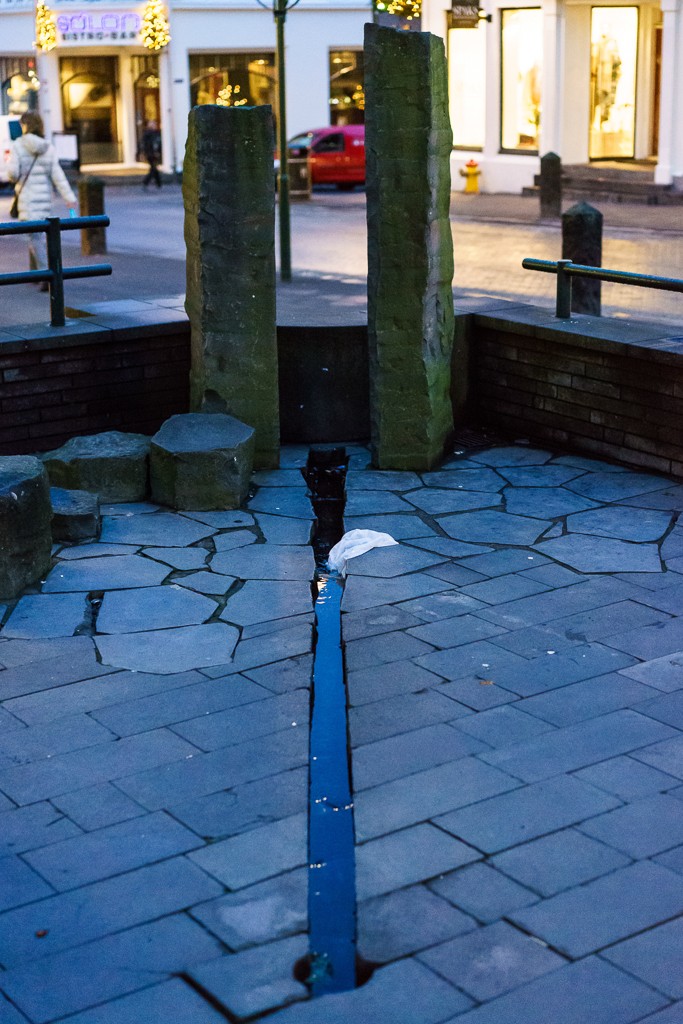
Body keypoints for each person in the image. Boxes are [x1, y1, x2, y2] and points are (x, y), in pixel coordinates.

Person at [6, 112, 76, 290]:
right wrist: (69, 198)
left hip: (27, 200)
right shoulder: (47, 147)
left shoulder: (18, 145)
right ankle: (41, 273)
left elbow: (13, 174)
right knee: (43, 237)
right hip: (44, 200)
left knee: (33, 238)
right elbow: (57, 175)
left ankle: (46, 275)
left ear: (25, 125)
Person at [141, 120, 162, 189]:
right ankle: (146, 182)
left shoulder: (156, 133)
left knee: (154, 168)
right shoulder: (149, 134)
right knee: (153, 168)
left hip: (153, 153)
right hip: (151, 154)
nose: (155, 126)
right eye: (153, 124)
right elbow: (147, 144)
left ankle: (158, 183)